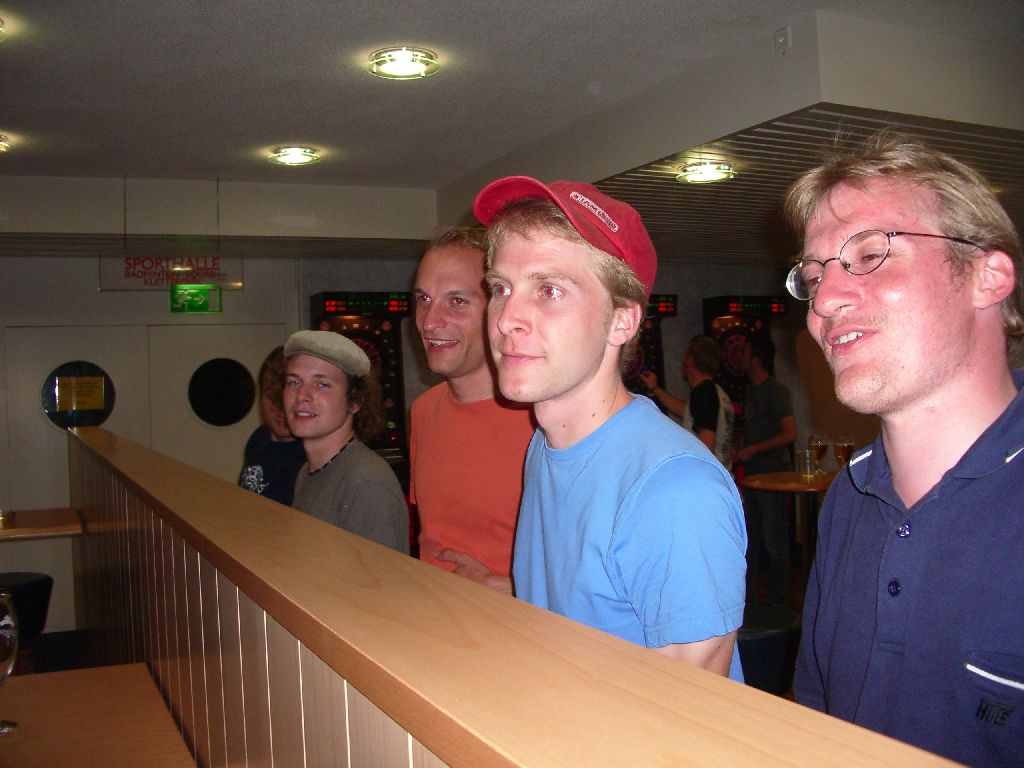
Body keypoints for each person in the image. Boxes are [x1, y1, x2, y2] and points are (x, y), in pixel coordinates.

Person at [785, 134, 1023, 766]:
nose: (825, 301)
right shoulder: (850, 496)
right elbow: (814, 717)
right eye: (813, 276)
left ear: (987, 275)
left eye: (869, 254)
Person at [474, 176, 746, 680]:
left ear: (622, 321)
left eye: (549, 290)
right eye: (500, 288)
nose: (506, 318)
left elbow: (688, 708)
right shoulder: (544, 447)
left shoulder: (675, 488)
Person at [409, 228, 535, 592]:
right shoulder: (422, 411)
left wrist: (505, 586)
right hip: (433, 616)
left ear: (498, 310)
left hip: (517, 625)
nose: (430, 321)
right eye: (423, 299)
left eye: (457, 301)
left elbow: (593, 571)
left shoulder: (543, 423)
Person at [283, 330, 409, 553]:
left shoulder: (366, 484)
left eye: (322, 384)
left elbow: (378, 575)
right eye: (294, 382)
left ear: (355, 401)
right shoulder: (308, 471)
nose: (302, 395)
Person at [734, 334, 797, 606]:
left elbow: (790, 433)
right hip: (753, 476)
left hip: (773, 476)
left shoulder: (775, 390)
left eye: (745, 352)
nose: (740, 357)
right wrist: (741, 446)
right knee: (752, 539)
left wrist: (754, 449)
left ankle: (777, 601)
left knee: (774, 541)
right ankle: (748, 599)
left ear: (757, 359)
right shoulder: (751, 390)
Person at [639, 335, 735, 467]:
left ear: (689, 361)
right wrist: (655, 388)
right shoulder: (716, 393)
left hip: (706, 475)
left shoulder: (703, 393)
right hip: (722, 473)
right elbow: (687, 411)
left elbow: (707, 444)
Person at [238, 346, 307, 506]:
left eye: (287, 400)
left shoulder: (309, 456)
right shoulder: (259, 437)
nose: (280, 410)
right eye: (271, 397)